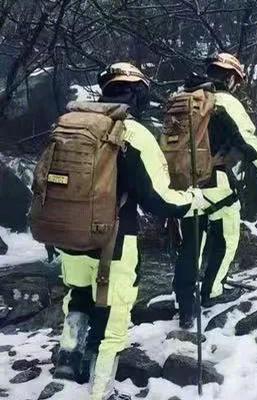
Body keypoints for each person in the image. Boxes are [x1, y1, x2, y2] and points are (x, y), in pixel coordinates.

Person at [52, 62, 208, 400]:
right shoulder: (132, 132)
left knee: (79, 295)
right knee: (113, 319)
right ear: (138, 93)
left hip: (67, 235)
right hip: (113, 242)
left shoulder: (70, 124)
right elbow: (157, 198)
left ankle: (68, 358)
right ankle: (100, 392)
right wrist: (191, 201)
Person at [173, 53, 257, 329]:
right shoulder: (225, 100)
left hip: (182, 183)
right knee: (226, 233)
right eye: (236, 79)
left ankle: (185, 305)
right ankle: (212, 291)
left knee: (191, 244)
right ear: (230, 76)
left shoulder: (183, 98)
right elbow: (246, 137)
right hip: (215, 181)